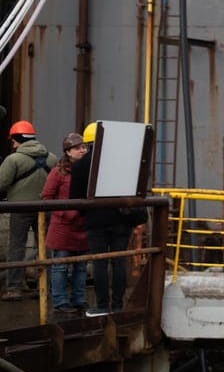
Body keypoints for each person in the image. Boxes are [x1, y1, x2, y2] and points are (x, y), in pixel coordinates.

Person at [67, 129, 138, 317]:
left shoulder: (80, 166)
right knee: (119, 262)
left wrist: (88, 212)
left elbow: (75, 199)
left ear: (87, 142)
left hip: (95, 221)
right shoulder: (121, 162)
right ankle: (117, 306)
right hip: (121, 220)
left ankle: (101, 306)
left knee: (99, 263)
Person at [0, 121, 52, 299]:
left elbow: (1, 183)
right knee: (45, 247)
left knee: (17, 247)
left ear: (17, 139)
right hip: (46, 208)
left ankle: (14, 288)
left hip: (20, 208)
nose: (13, 145)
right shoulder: (51, 158)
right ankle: (44, 286)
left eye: (13, 141)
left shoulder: (13, 159)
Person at [39, 133, 90, 314]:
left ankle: (78, 299)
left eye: (84, 147)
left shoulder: (89, 171)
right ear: (68, 152)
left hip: (82, 224)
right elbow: (46, 196)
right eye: (78, 148)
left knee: (81, 266)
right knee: (60, 266)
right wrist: (66, 213)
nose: (83, 150)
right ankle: (60, 302)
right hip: (63, 227)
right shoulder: (58, 171)